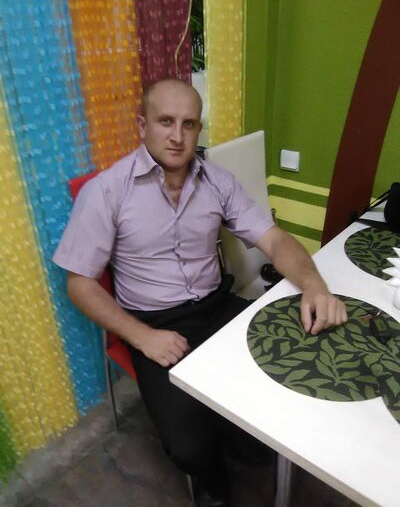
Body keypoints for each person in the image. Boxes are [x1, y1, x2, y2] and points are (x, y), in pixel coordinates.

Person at [53, 77, 347, 506]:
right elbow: (79, 283)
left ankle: (243, 437)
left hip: (216, 304)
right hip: (154, 324)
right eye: (165, 121)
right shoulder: (107, 192)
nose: (177, 135)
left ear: (198, 129)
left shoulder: (217, 181)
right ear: (142, 125)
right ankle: (216, 486)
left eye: (188, 124)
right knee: (189, 447)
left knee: (290, 368)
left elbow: (273, 239)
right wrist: (142, 337)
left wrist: (315, 285)